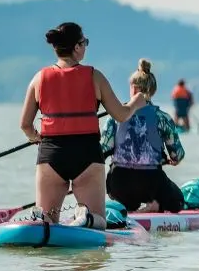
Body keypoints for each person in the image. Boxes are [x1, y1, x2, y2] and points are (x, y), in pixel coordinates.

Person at [19, 22, 145, 228]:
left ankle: (42, 218)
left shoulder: (39, 79)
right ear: (77, 47)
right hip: (86, 155)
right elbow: (121, 115)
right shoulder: (95, 76)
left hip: (52, 154)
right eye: (84, 42)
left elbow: (25, 124)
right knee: (99, 222)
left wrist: (35, 138)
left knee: (47, 223)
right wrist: (137, 102)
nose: (85, 46)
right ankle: (87, 217)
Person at [101, 59, 186, 213]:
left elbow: (103, 150)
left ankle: (129, 207)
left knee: (126, 196)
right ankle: (155, 204)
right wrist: (171, 159)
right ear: (152, 91)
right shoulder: (162, 118)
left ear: (133, 88)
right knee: (179, 201)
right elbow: (177, 155)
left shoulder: (114, 117)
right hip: (150, 183)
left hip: (118, 184)